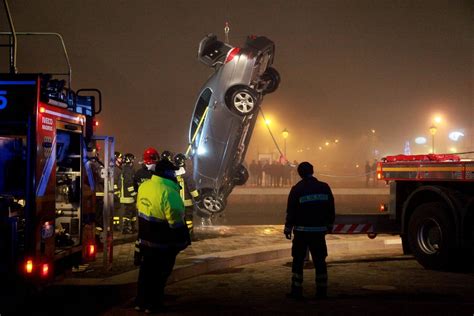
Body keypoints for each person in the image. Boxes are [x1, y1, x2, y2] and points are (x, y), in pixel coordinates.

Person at [134, 159, 190, 313]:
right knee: (160, 274)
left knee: (145, 272)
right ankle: (153, 304)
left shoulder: (144, 186)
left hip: (145, 238)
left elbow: (139, 208)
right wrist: (182, 239)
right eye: (172, 171)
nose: (174, 173)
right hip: (162, 242)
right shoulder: (169, 191)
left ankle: (140, 302)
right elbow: (175, 220)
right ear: (166, 173)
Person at [284, 161, 335, 299]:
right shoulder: (324, 187)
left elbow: (291, 211)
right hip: (319, 232)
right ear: (313, 171)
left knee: (298, 261)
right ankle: (322, 291)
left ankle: (296, 290)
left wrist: (288, 228)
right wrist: (329, 225)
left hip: (301, 232)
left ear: (299, 173)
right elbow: (331, 208)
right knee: (320, 261)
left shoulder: (297, 189)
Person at [174, 153, 200, 239]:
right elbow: (192, 188)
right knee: (188, 219)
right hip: (186, 203)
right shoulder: (187, 175)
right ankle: (189, 235)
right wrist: (197, 197)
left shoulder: (171, 175)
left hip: (174, 203)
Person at [121, 153, 137, 233]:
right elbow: (129, 183)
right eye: (133, 159)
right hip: (128, 195)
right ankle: (126, 228)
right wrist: (134, 194)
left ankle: (132, 227)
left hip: (129, 194)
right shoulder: (128, 169)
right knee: (128, 212)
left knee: (133, 212)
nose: (133, 161)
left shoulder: (128, 168)